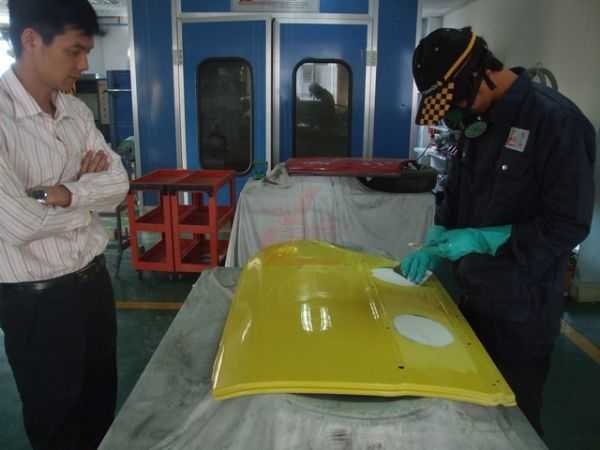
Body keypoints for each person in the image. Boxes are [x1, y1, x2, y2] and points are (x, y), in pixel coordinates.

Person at [400, 27, 595, 436]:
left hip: (522, 308)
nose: (456, 116)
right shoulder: (479, 122)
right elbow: (456, 192)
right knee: (469, 410)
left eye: (456, 103)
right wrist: (435, 240)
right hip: (473, 295)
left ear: (479, 75)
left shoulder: (556, 122)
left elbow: (569, 224)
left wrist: (483, 238)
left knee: (513, 420)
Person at [0, 1, 129, 448]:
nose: (84, 64)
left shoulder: (76, 112)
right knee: (56, 420)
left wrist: (63, 193)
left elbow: (119, 185)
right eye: (74, 51)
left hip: (93, 285)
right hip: (36, 302)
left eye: (87, 51)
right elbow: (17, 223)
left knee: (100, 406)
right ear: (31, 40)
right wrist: (87, 198)